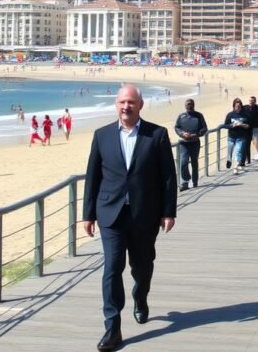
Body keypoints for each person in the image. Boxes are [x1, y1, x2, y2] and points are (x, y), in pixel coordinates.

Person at [82, 85, 177, 352]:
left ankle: (140, 295)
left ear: (140, 105)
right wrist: (88, 214)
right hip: (110, 214)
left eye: (131, 102)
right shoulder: (101, 136)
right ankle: (112, 328)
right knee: (112, 268)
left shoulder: (156, 135)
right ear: (116, 105)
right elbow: (93, 177)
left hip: (144, 214)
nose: (126, 107)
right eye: (122, 102)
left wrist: (169, 211)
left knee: (142, 266)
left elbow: (168, 177)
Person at [174, 98, 209, 191]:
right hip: (184, 143)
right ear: (185, 106)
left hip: (195, 143)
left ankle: (195, 181)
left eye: (191, 104)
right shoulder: (181, 116)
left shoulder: (199, 116)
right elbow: (177, 127)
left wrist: (196, 134)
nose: (189, 105)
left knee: (194, 162)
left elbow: (204, 128)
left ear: (194, 105)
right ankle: (185, 182)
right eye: (187, 104)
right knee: (183, 162)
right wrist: (182, 134)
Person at [224, 98, 251, 173]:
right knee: (230, 152)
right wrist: (232, 125)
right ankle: (229, 160)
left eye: (239, 106)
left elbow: (248, 126)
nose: (238, 108)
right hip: (231, 137)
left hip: (241, 137)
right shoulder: (230, 115)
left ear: (241, 106)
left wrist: (241, 124)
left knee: (238, 151)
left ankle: (235, 167)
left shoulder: (245, 115)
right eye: (236, 106)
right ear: (233, 106)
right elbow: (225, 125)